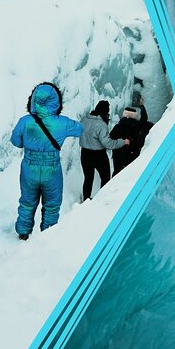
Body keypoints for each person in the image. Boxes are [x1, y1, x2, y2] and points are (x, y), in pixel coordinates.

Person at [11, 82, 82, 240]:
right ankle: (47, 236)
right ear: (56, 102)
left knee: (28, 201)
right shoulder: (62, 122)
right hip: (52, 169)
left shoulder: (25, 121)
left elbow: (15, 141)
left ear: (33, 99)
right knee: (51, 204)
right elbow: (79, 129)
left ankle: (23, 232)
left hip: (29, 168)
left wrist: (30, 142)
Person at [79, 100, 129, 200]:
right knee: (105, 178)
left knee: (88, 179)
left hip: (84, 154)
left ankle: (86, 201)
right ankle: (101, 202)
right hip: (98, 155)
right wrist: (123, 142)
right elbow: (108, 144)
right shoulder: (101, 125)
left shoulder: (84, 119)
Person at [110, 104, 150, 176]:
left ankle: (114, 186)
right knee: (129, 174)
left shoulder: (117, 126)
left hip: (118, 153)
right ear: (134, 116)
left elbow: (110, 138)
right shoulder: (136, 126)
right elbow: (144, 120)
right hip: (131, 153)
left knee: (117, 172)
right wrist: (142, 107)